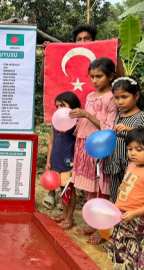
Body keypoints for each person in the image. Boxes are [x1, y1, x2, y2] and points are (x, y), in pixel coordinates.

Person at [69, 57, 118, 244]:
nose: (95, 80)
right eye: (92, 77)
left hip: (100, 147)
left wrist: (86, 114)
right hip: (84, 144)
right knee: (89, 188)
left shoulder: (112, 98)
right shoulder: (90, 96)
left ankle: (102, 228)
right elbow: (85, 121)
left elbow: (109, 127)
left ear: (111, 75)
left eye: (100, 76)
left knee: (100, 187)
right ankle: (93, 222)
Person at [105, 127, 144, 268]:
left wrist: (134, 213)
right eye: (130, 149)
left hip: (136, 218)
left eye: (139, 150)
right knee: (121, 247)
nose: (133, 153)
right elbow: (125, 188)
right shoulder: (132, 165)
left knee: (133, 250)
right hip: (122, 215)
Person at [39, 24, 124, 85]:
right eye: (79, 39)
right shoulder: (66, 58)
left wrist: (116, 51)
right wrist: (45, 57)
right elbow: (43, 80)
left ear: (93, 40)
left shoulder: (102, 59)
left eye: (87, 38)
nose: (83, 42)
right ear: (75, 42)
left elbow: (121, 78)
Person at [104, 77, 144, 203]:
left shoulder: (141, 116)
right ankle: (118, 221)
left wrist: (129, 129)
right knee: (117, 194)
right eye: (117, 98)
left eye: (124, 97)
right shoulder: (118, 115)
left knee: (132, 195)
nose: (120, 102)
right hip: (115, 163)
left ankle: (133, 221)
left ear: (136, 95)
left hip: (133, 165)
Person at [46, 92, 80, 230]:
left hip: (69, 163)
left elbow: (79, 145)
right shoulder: (55, 122)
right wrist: (48, 161)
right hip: (56, 160)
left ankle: (69, 218)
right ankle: (64, 214)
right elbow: (51, 142)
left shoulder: (77, 123)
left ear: (72, 105)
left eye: (63, 105)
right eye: (57, 106)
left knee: (69, 190)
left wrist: (75, 164)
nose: (59, 108)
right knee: (61, 188)